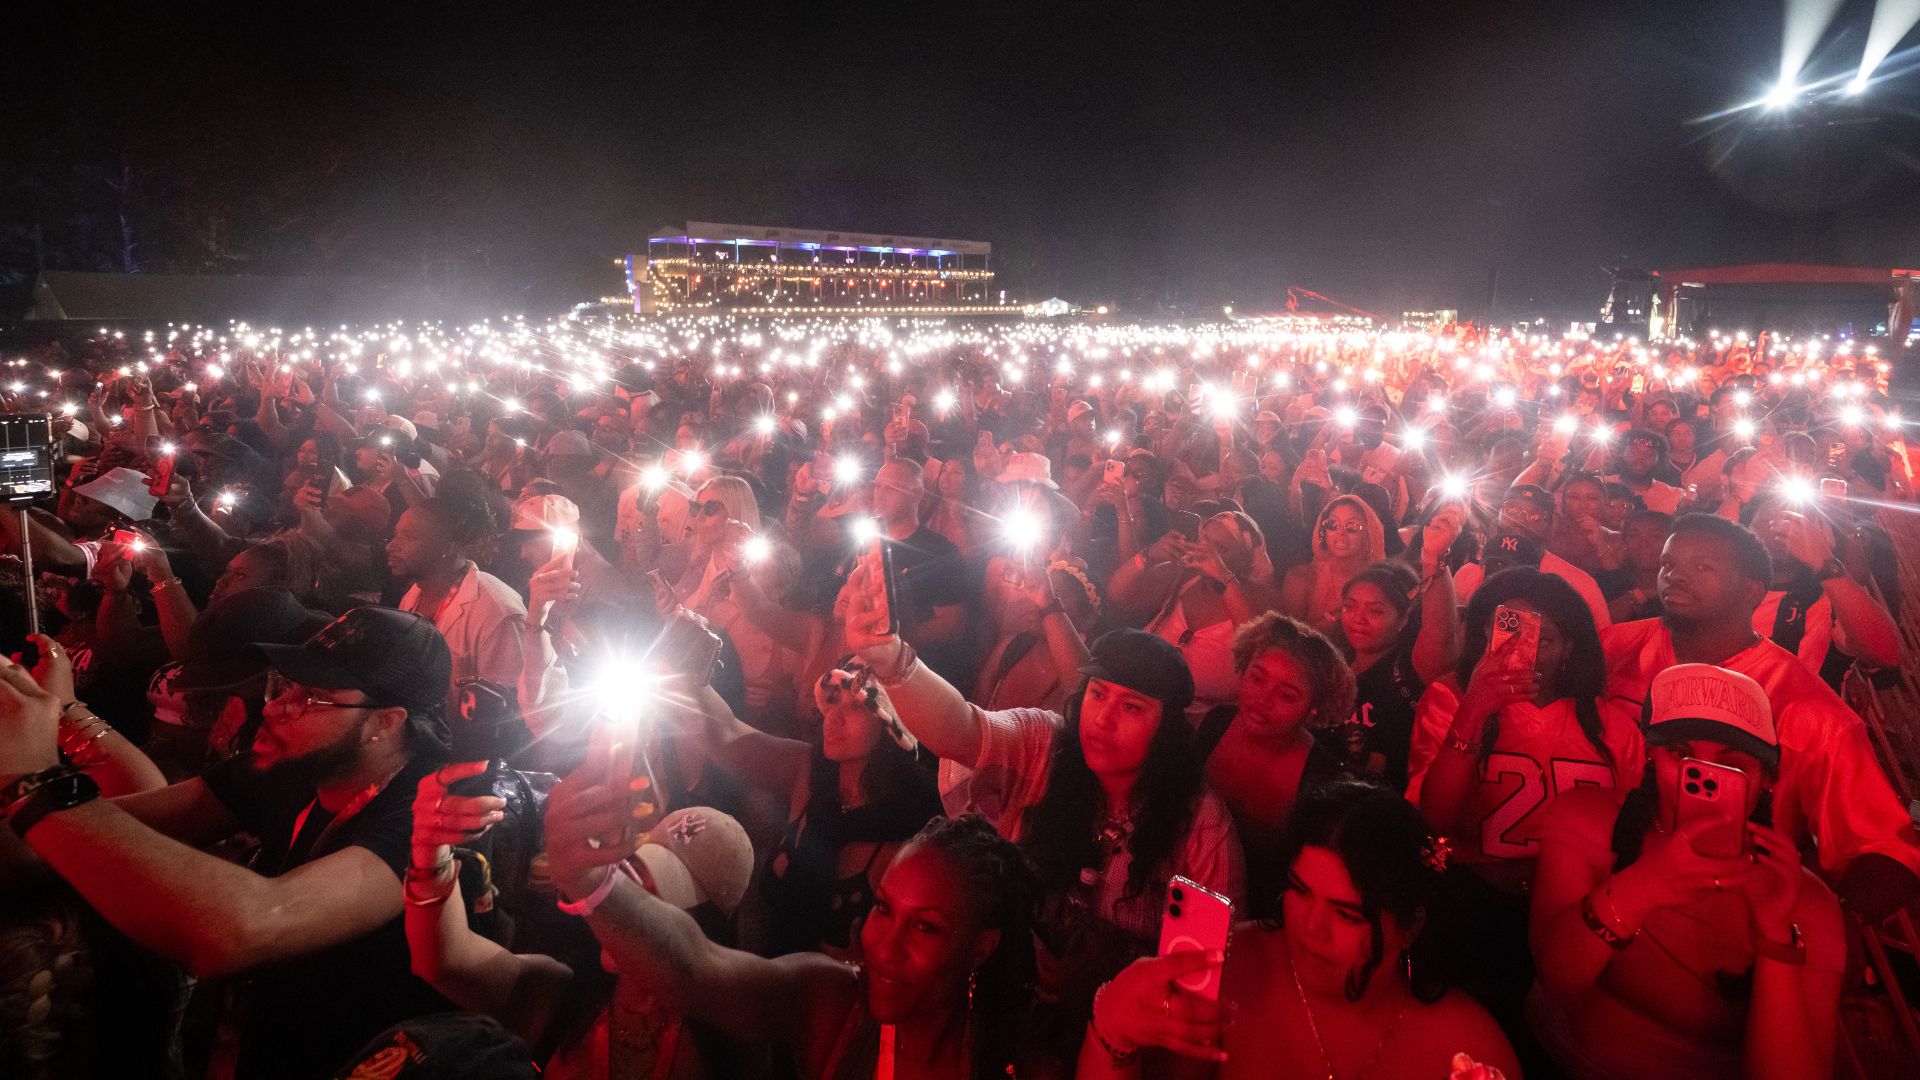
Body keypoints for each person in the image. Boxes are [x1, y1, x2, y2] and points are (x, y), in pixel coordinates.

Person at [0, 607, 458, 1079]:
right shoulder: (291, 766)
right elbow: (117, 827)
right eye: (284, 684)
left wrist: (35, 784)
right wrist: (54, 712)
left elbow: (241, 927)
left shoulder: (434, 812)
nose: (275, 707)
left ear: (385, 723)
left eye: (312, 698)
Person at [839, 549, 1243, 1057]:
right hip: (992, 1016)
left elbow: (1198, 980)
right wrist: (892, 659)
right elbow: (963, 730)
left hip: (1119, 1047)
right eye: (1097, 696)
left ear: (1167, 730)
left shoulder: (1202, 825)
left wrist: (1097, 980)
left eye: (1132, 707)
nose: (1104, 720)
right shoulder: (1045, 745)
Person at [545, 783, 1041, 1080]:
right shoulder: (833, 1005)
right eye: (884, 909)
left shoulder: (1025, 1059)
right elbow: (696, 966)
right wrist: (592, 882)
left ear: (981, 946)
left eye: (926, 927)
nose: (885, 947)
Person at [1528, 664, 1845, 1079]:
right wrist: (1645, 886)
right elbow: (1557, 976)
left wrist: (1774, 934)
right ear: (1650, 755)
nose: (1704, 780)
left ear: (1766, 779)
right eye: (1681, 754)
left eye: (1729, 765)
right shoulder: (1587, 819)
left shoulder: (1805, 902)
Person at [1080, 781, 1520, 1079]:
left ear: (1410, 926)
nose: (1311, 928)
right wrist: (1112, 1032)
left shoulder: (1468, 1049)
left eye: (1347, 914)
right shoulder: (1230, 969)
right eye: (1300, 890)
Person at [1601, 512, 1920, 918]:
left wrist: (1826, 927)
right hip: (1601, 885)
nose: (1675, 576)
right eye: (1669, 563)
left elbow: (1888, 851)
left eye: (1702, 566)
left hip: (1723, 929)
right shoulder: (1613, 649)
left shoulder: (1805, 706)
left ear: (1752, 591)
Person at [683, 662, 943, 956]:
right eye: (833, 701)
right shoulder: (810, 771)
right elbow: (725, 736)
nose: (835, 717)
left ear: (892, 725)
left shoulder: (912, 828)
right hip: (759, 981)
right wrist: (687, 668)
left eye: (857, 707)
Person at [1192, 612, 1356, 917]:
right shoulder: (1216, 724)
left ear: (1314, 707)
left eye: (1287, 695)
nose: (1262, 700)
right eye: (1257, 678)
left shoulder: (1321, 779)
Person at [391, 495, 556, 722]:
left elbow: (507, 715)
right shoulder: (414, 595)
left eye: (408, 537)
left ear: (446, 548)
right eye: (396, 535)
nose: (391, 546)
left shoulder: (497, 613)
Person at [1109, 510, 1277, 713]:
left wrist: (1223, 575)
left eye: (1221, 549)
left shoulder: (1259, 599)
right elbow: (1117, 595)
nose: (1207, 552)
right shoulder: (1183, 576)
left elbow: (1259, 649)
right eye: (1204, 540)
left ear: (1243, 561)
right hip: (1138, 691)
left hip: (1198, 719)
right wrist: (1148, 555)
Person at [1327, 555, 1457, 792]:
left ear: (1403, 619)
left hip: (1379, 810)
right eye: (1349, 606)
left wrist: (1435, 559)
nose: (1358, 619)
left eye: (1375, 611)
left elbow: (1441, 634)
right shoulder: (1330, 663)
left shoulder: (1408, 670)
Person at [1452, 484, 1612, 631]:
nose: (1520, 519)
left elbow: (1602, 649)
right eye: (1511, 509)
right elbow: (1449, 640)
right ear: (1499, 514)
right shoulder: (1469, 573)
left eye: (1534, 515)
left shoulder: (1580, 584)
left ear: (1549, 525)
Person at [1280, 494, 1386, 634]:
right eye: (1332, 525)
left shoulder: (1382, 583)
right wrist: (1333, 619)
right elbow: (1288, 639)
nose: (1340, 533)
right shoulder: (1302, 578)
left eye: (1352, 526)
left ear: (1369, 535)